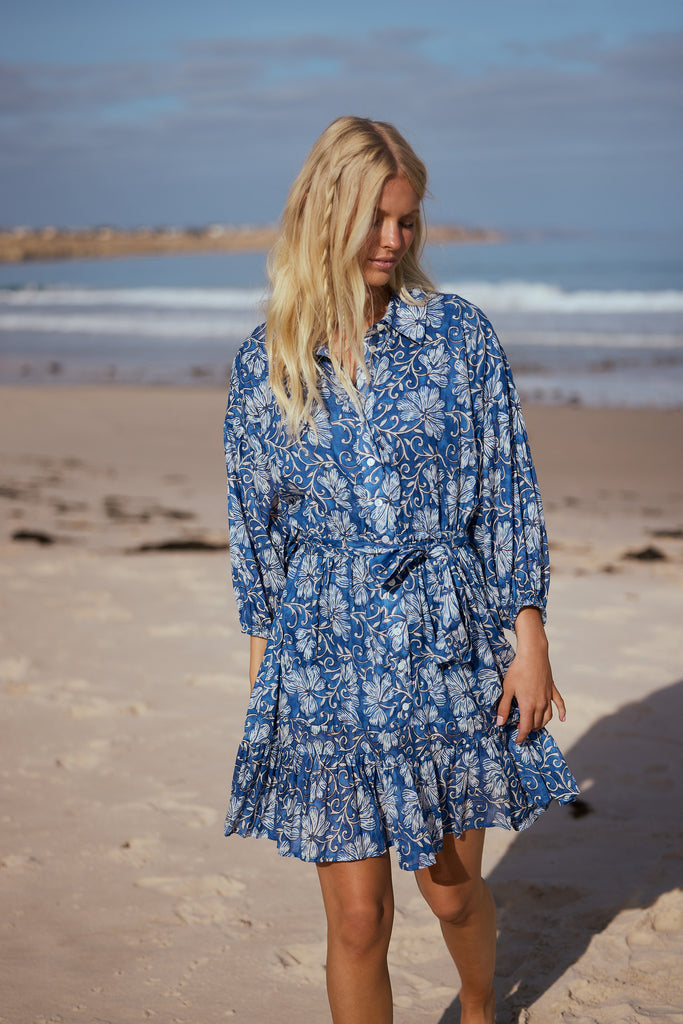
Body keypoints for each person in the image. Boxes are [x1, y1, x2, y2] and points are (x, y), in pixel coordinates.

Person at [223, 116, 578, 1024]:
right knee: (355, 918)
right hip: (322, 650)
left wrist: (528, 636)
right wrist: (265, 672)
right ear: (325, 216)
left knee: (450, 890)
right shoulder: (264, 363)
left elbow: (505, 491)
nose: (393, 240)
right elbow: (255, 528)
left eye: (408, 221)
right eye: (377, 219)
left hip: (444, 639)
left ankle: (476, 1001)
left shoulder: (457, 338)